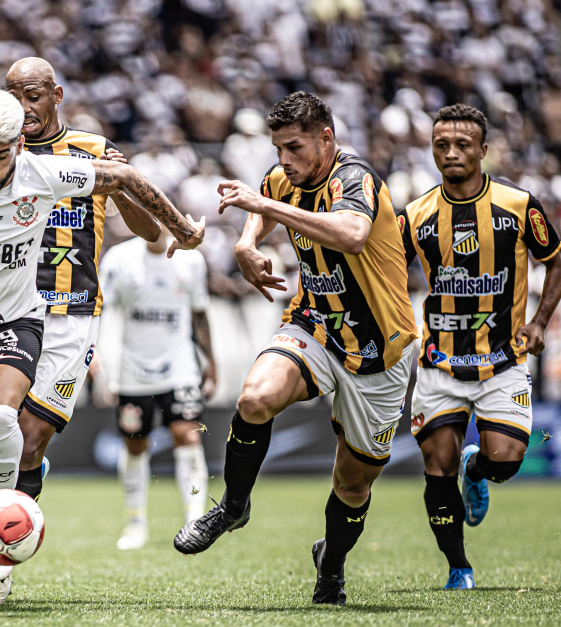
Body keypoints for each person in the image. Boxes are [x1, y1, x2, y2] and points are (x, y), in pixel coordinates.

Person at [0, 88, 203, 605]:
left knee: (7, 423)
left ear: (20, 147)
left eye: (1, 155)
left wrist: (184, 228)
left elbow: (127, 178)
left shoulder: (47, 171)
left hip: (23, 319)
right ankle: (2, 501)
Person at [172, 91, 419, 607]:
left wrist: (263, 207)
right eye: (279, 148)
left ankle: (331, 567)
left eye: (295, 147)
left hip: (379, 350)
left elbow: (352, 235)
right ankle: (233, 507)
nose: (284, 159)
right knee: (254, 399)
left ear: (326, 138)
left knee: (353, 485)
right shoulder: (283, 177)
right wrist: (246, 245)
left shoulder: (356, 179)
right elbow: (264, 204)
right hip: (316, 323)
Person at [400, 104, 561, 590]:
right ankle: (458, 566)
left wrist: (539, 322)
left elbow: (555, 260)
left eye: (462, 145)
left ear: (484, 151)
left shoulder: (519, 205)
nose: (450, 153)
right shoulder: (415, 214)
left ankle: (480, 466)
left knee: (507, 462)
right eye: (441, 145)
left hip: (503, 360)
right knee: (436, 466)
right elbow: (383, 275)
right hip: (440, 364)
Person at [98, 227, 215, 550]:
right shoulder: (119, 260)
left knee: (187, 436)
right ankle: (136, 523)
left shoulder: (192, 260)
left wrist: (210, 362)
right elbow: (100, 312)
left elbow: (200, 314)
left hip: (180, 368)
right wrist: (98, 360)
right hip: (132, 373)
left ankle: (195, 519)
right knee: (135, 446)